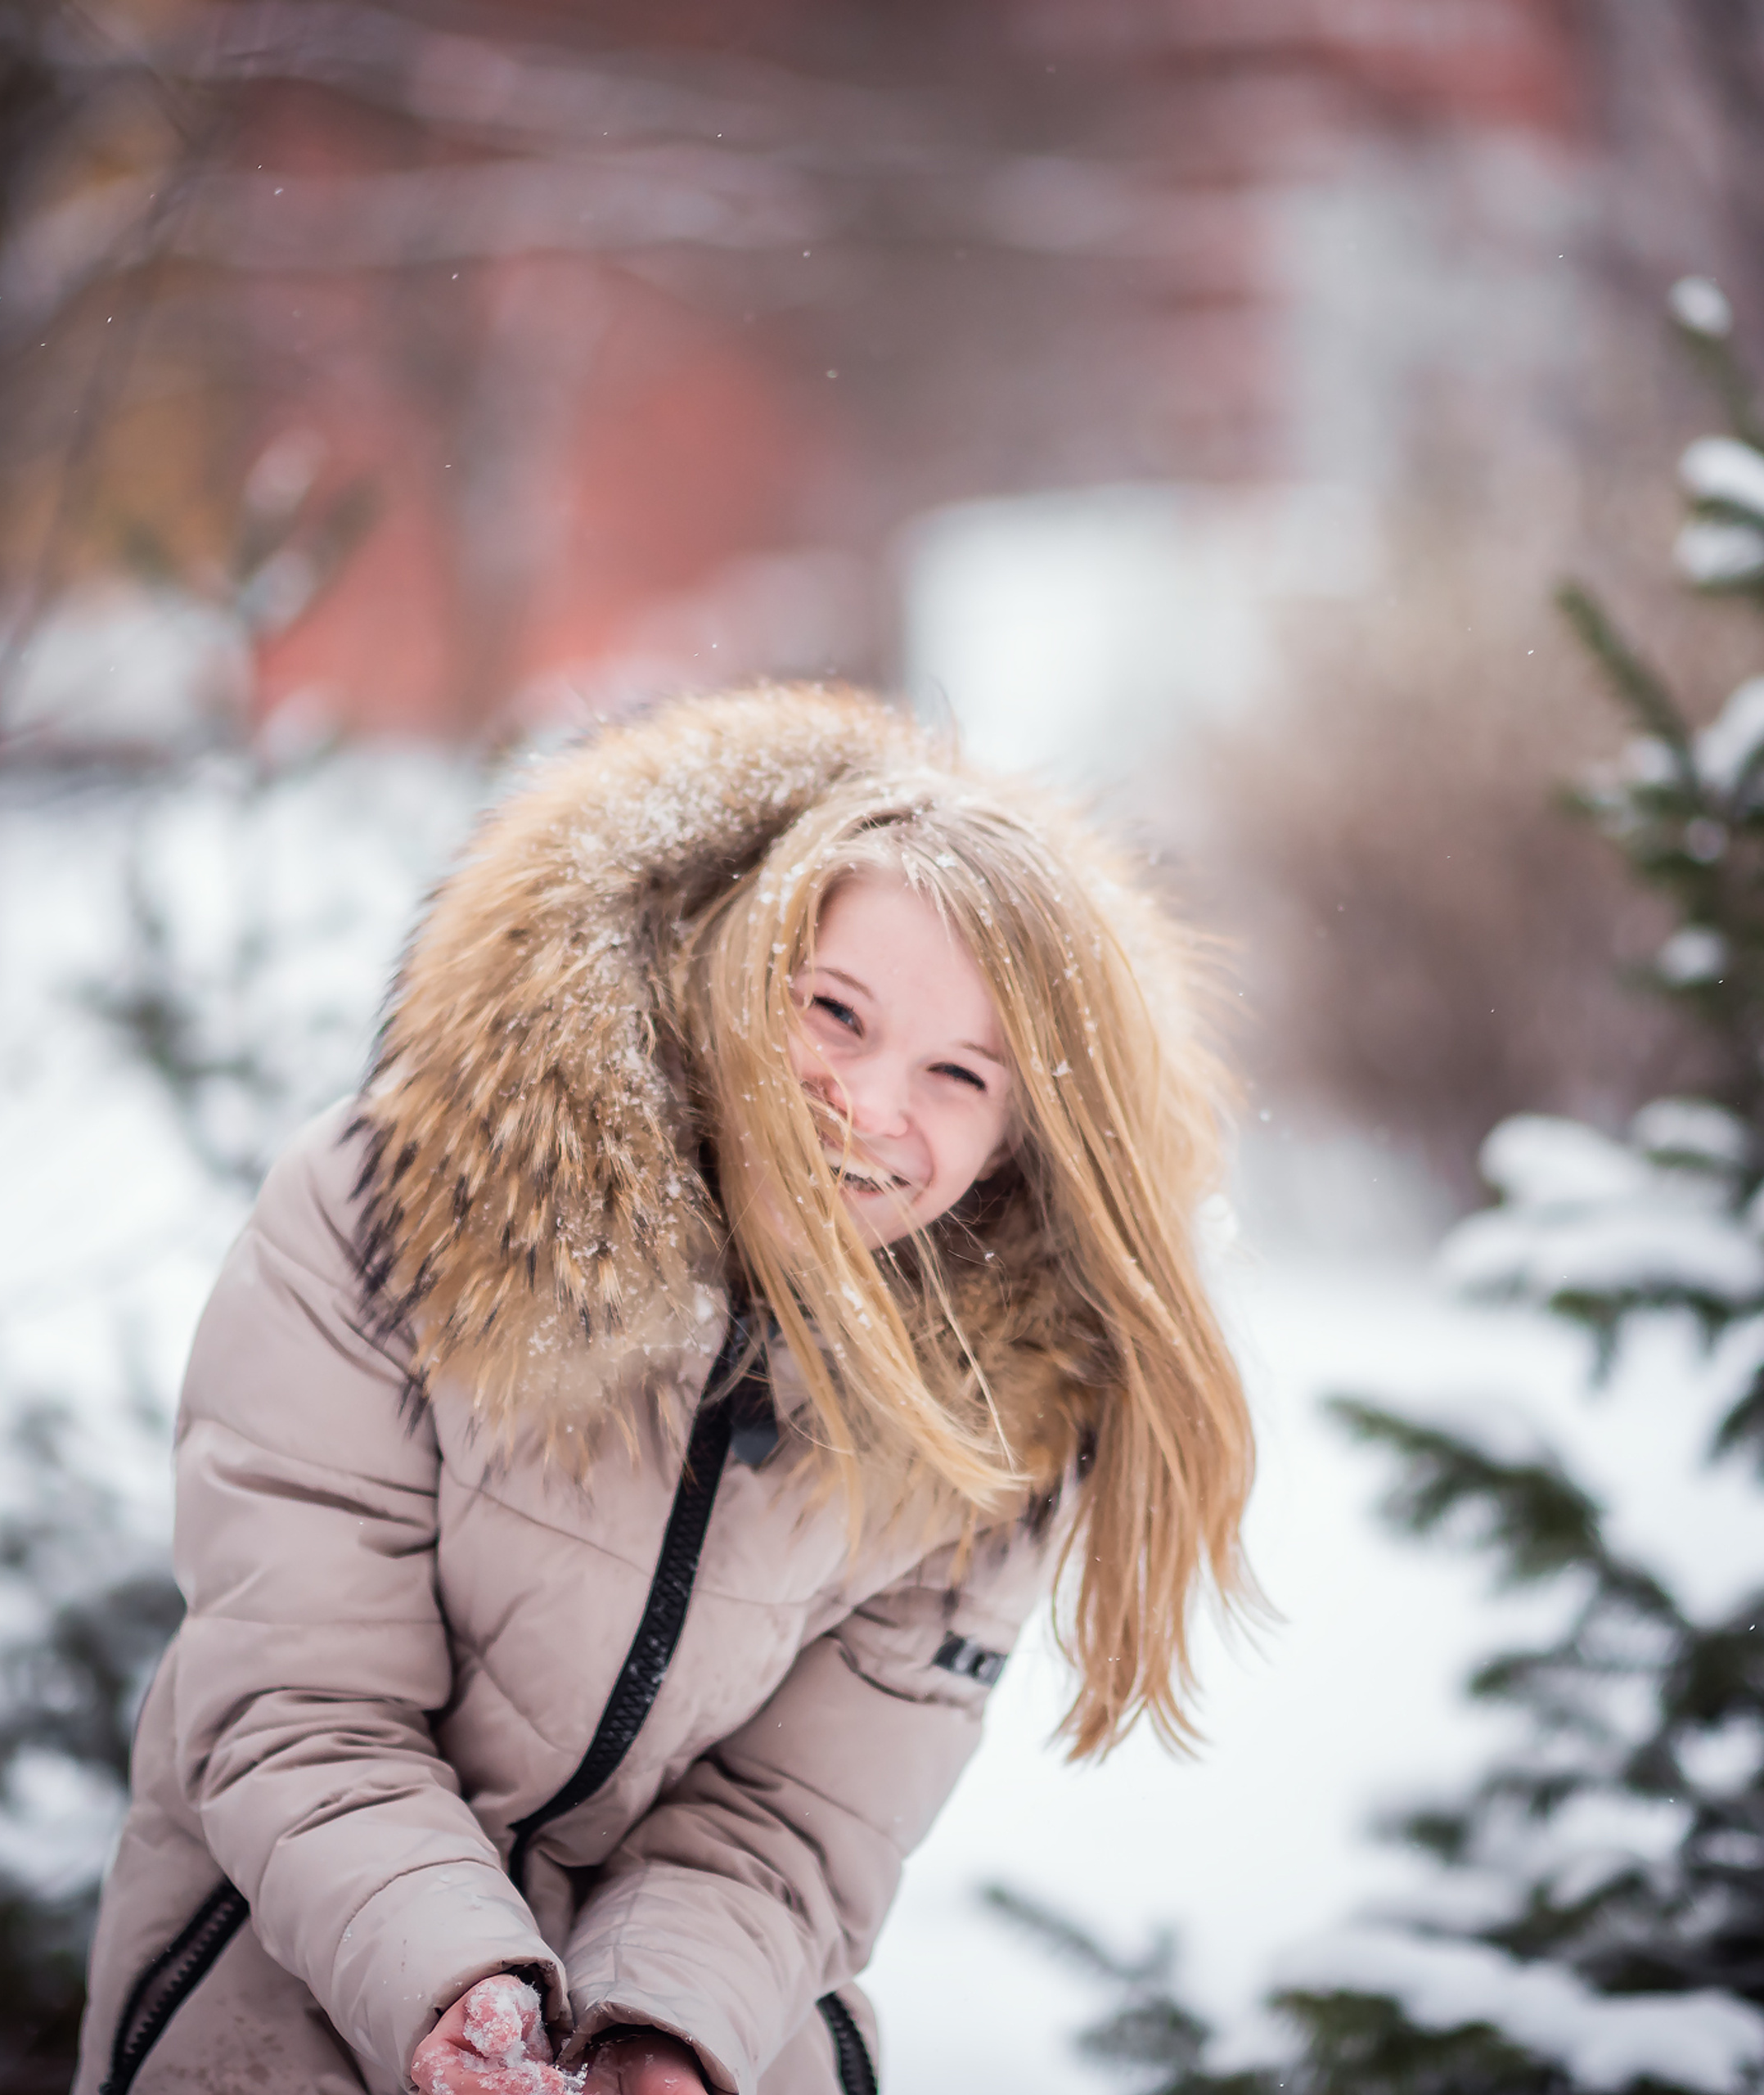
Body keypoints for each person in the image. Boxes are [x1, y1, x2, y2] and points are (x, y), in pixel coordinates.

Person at [72, 685, 1255, 2095]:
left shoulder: (994, 1417)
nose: (873, 1105)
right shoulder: (395, 1211)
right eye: (835, 1011)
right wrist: (460, 1989)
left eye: (956, 1075)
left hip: (713, 2021)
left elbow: (792, 1822)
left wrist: (661, 2034)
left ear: (1016, 1140)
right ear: (737, 970)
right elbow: (301, 1705)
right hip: (282, 1968)